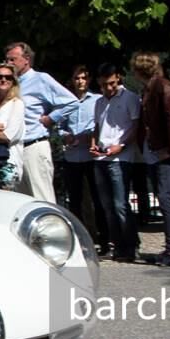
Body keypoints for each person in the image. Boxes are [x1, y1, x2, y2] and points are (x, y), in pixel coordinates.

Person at [133, 52, 170, 267]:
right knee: (164, 198)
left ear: (139, 70)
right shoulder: (150, 88)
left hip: (165, 152)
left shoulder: (162, 86)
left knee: (166, 200)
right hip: (155, 151)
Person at [4, 42, 79, 203]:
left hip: (34, 147)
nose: (8, 63)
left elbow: (71, 101)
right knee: (20, 202)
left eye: (12, 59)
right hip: (15, 149)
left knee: (42, 199)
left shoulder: (40, 79)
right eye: (7, 59)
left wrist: (51, 118)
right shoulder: (11, 84)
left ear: (26, 59)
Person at [91, 63, 140, 262]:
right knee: (107, 206)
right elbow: (97, 126)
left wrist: (122, 145)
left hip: (121, 157)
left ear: (118, 78)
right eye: (104, 85)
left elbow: (135, 126)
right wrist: (94, 144)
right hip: (101, 157)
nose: (109, 88)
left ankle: (131, 245)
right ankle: (118, 245)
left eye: (111, 83)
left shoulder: (130, 98)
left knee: (120, 204)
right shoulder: (99, 102)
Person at [58, 66, 109, 252]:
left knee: (98, 199)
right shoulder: (66, 102)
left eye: (83, 78)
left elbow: (101, 124)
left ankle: (104, 239)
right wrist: (66, 136)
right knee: (75, 200)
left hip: (91, 156)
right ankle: (79, 240)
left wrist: (91, 137)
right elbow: (60, 126)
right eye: (77, 78)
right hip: (72, 157)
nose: (80, 81)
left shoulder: (97, 100)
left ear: (89, 80)